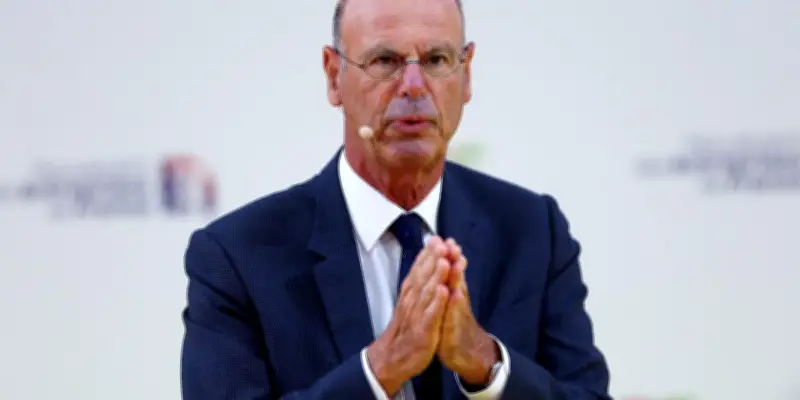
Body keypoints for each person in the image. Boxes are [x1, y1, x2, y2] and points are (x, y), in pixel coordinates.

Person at [180, 0, 611, 398]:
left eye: (437, 60)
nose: (414, 86)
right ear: (334, 76)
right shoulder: (237, 256)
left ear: (466, 75)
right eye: (385, 61)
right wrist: (380, 369)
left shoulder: (532, 231)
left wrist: (484, 361)